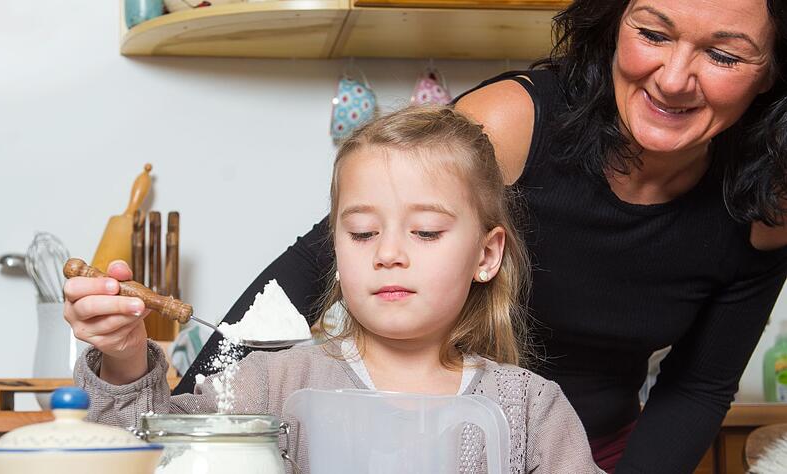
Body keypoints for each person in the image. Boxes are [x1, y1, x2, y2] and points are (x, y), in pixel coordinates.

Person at [171, 1, 787, 472]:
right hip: (431, 444)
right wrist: (188, 424)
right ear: (611, 23)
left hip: (589, 452)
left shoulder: (769, 203)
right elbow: (308, 271)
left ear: (773, 72)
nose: (674, 78)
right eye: (653, 34)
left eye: (725, 57)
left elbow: (698, 386)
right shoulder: (511, 124)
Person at [65, 106, 603, 473]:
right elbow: (146, 452)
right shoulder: (270, 385)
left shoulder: (532, 409)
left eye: (426, 232)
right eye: (363, 233)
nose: (388, 253)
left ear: (486, 255)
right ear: (337, 252)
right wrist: (124, 358)